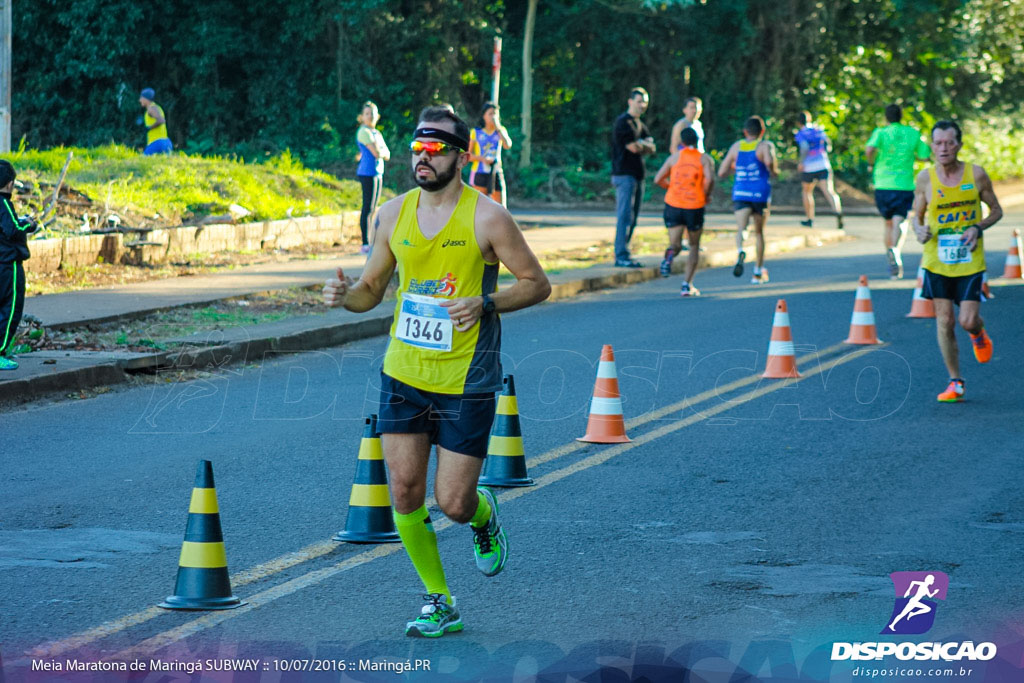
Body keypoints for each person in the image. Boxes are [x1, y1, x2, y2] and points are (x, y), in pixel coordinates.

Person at [323, 106, 550, 637]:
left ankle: (481, 515)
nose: (423, 158)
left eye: (437, 149)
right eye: (417, 149)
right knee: (403, 492)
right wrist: (343, 298)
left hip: (466, 379)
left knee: (451, 502)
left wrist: (486, 302)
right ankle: (440, 599)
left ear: (461, 155)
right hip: (403, 372)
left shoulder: (488, 217)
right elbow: (371, 291)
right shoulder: (391, 213)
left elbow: (537, 283)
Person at [911, 120, 1001, 403]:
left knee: (967, 320)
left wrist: (978, 226)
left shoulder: (976, 175)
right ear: (932, 147)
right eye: (938, 143)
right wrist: (919, 230)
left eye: (949, 142)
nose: (943, 148)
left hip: (970, 260)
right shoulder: (925, 178)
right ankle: (955, 382)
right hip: (936, 261)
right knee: (944, 321)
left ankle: (978, 333)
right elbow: (917, 215)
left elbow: (997, 210)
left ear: (959, 145)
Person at [866, 104, 931, 278]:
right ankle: (895, 250)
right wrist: (913, 156)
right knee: (899, 221)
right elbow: (925, 156)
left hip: (882, 183)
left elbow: (870, 149)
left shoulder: (881, 132)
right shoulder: (913, 133)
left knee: (888, 222)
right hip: (904, 184)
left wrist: (871, 163)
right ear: (901, 116)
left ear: (886, 117)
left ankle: (890, 252)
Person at [654, 127, 714, 296]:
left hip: (673, 204)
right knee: (694, 245)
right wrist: (706, 194)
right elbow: (709, 179)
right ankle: (687, 285)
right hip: (694, 206)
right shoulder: (704, 159)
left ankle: (670, 255)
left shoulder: (674, 158)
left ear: (682, 142)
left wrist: (671, 187)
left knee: (675, 244)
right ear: (698, 141)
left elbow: (658, 179)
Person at [718, 116, 777, 284]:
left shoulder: (736, 147)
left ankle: (740, 249)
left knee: (741, 228)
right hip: (760, 193)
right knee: (759, 233)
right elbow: (770, 165)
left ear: (745, 131)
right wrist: (773, 170)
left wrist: (734, 169)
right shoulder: (764, 146)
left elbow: (722, 172)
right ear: (762, 132)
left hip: (741, 192)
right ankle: (758, 271)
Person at [0, 160, 40, 371]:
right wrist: (29, 223)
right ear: (9, 184)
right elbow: (13, 229)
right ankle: (0, 351)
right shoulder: (4, 204)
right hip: (9, 265)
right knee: (11, 309)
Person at [611, 87, 656, 268]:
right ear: (630, 101)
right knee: (624, 216)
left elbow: (652, 147)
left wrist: (642, 144)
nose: (642, 105)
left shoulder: (640, 124)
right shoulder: (623, 123)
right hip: (624, 175)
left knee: (633, 217)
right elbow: (633, 148)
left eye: (644, 101)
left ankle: (625, 253)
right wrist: (643, 145)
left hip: (638, 175)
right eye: (639, 101)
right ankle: (620, 255)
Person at [795, 111, 843, 230]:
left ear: (798, 122)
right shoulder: (818, 130)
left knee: (807, 192)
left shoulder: (801, 133)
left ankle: (810, 219)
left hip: (808, 167)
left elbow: (804, 147)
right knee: (829, 191)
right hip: (823, 164)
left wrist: (801, 162)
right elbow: (828, 145)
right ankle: (838, 212)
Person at [356, 101, 391, 254]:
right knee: (367, 207)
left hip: (378, 172)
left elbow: (387, 154)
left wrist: (381, 152)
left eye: (373, 113)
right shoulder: (364, 132)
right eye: (367, 113)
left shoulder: (377, 133)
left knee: (373, 208)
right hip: (367, 172)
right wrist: (381, 152)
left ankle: (371, 240)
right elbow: (378, 153)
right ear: (362, 117)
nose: (370, 116)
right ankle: (365, 242)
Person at [468, 102, 512, 206]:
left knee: (501, 207)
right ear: (484, 116)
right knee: (480, 206)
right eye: (490, 114)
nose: (493, 117)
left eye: (495, 114)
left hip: (496, 171)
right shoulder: (476, 132)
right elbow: (468, 155)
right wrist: (482, 159)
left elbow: (507, 145)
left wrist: (498, 128)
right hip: (479, 172)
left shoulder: (501, 131)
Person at [138, 88, 173, 155]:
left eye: (141, 98)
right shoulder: (157, 107)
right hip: (166, 142)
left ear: (146, 99)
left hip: (156, 142)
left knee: (141, 163)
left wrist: (149, 128)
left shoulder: (151, 108)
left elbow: (161, 120)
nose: (140, 100)